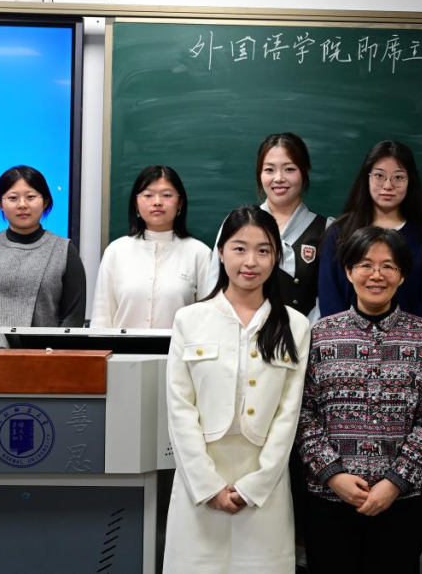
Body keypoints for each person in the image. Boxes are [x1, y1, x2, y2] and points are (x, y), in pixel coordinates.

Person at [164, 206, 311, 574]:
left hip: (263, 486)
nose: (251, 262)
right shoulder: (189, 320)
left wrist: (255, 486)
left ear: (276, 257)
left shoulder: (295, 326)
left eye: (263, 250)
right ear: (221, 252)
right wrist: (207, 485)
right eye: (239, 248)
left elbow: (288, 415)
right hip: (200, 483)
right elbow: (180, 409)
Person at [298, 226, 422, 574]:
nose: (376, 275)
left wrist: (395, 482)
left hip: (401, 501)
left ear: (402, 275)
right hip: (328, 500)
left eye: (388, 266)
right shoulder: (320, 335)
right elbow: (303, 413)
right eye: (365, 265)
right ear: (349, 271)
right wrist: (332, 475)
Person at [0, 165, 86, 348]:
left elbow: (73, 316)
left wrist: (55, 355)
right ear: (0, 204)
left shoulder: (64, 250)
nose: (22, 205)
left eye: (30, 197)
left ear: (45, 201)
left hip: (47, 359)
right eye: (13, 198)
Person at [318, 140, 422, 326]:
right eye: (379, 175)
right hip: (345, 340)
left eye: (398, 177)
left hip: (411, 341)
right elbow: (329, 297)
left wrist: (413, 339)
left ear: (410, 181)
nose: (388, 185)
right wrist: (347, 337)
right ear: (367, 178)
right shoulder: (339, 233)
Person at [207, 133, 332, 321]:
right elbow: (215, 286)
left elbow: (329, 300)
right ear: (259, 173)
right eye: (269, 170)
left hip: (305, 335)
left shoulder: (327, 229)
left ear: (304, 170)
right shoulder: (235, 224)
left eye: (289, 169)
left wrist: (303, 333)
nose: (279, 178)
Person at [91, 165, 211, 329]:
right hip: (122, 346)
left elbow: (208, 317)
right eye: (148, 195)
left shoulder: (199, 253)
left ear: (180, 202)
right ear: (136, 203)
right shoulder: (116, 251)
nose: (157, 202)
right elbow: (102, 317)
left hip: (178, 345)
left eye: (167, 195)